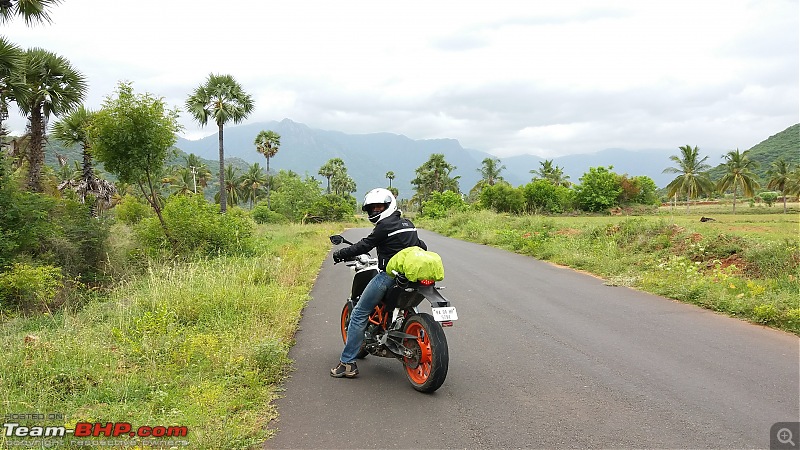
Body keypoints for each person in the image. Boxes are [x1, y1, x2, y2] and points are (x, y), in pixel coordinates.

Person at [330, 188, 426, 378]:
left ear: (389, 205)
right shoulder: (408, 224)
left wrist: (340, 254)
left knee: (358, 314)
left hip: (389, 276)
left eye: (379, 207)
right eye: (372, 208)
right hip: (412, 276)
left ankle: (347, 363)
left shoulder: (384, 227)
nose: (375, 211)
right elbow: (421, 246)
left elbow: (364, 245)